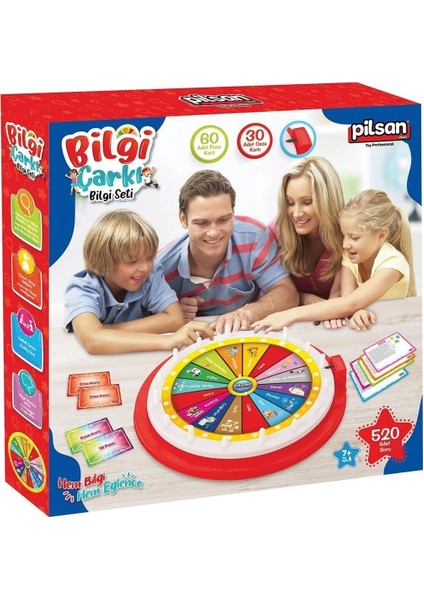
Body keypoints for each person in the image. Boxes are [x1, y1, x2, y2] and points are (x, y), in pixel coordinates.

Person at [253, 189, 416, 332]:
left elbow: (350, 303)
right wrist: (356, 312)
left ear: (382, 235)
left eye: (354, 237)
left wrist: (288, 315)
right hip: (370, 332)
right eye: (344, 235)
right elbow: (344, 298)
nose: (345, 244)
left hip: (397, 330)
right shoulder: (351, 255)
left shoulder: (393, 263)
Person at [157, 170, 299, 334]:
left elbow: (288, 293)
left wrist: (246, 313)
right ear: (183, 219)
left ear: (233, 214)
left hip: (251, 333)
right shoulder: (160, 267)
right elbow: (145, 320)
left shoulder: (254, 237)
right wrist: (172, 314)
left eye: (223, 220)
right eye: (202, 223)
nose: (213, 233)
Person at [64, 209, 214, 354]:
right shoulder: (83, 288)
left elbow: (175, 319)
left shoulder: (151, 275)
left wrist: (105, 330)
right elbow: (93, 341)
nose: (145, 268)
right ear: (105, 260)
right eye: (132, 261)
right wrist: (168, 341)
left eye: (149, 258)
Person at [269, 156, 345, 327]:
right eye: (290, 203)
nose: (296, 213)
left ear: (328, 200)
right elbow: (265, 292)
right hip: (290, 327)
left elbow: (351, 294)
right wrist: (306, 299)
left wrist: (329, 308)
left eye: (307, 202)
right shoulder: (276, 233)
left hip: (337, 325)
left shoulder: (349, 234)